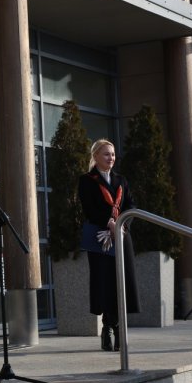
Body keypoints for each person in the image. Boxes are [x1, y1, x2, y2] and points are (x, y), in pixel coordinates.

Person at [78, 138, 140, 351]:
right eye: (106, 154)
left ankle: (119, 328)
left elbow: (130, 205)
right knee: (105, 283)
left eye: (113, 154)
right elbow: (89, 208)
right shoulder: (87, 180)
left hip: (122, 236)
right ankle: (108, 328)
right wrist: (109, 222)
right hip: (101, 238)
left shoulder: (121, 180)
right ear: (95, 156)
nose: (111, 158)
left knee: (122, 282)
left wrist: (122, 224)